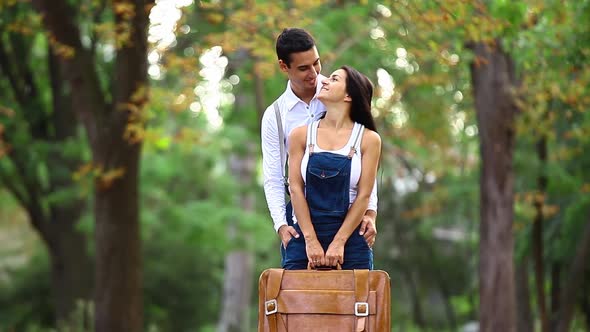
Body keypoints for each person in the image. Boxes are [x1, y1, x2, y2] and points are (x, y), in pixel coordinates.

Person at [260, 28, 378, 267]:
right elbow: (274, 177)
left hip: (348, 219)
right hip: (302, 218)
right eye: (303, 68)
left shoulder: (340, 90)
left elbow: (364, 167)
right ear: (284, 67)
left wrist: (370, 213)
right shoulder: (276, 116)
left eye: (317, 63)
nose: (315, 74)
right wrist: (282, 226)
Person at [284, 65, 381, 269]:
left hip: (352, 238)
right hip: (304, 234)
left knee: (357, 300)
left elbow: (364, 195)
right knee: (295, 299)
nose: (324, 80)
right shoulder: (299, 135)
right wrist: (310, 240)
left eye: (334, 79)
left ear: (348, 96)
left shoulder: (369, 140)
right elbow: (295, 189)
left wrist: (339, 242)